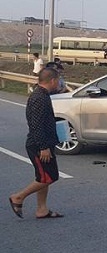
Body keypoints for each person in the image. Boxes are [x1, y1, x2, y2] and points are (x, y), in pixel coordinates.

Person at [8, 67, 64, 220]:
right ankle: (18, 197)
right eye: (58, 80)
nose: (58, 83)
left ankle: (42, 209)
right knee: (50, 176)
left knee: (43, 176)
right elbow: (36, 124)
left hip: (44, 143)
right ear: (52, 80)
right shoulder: (39, 98)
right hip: (38, 145)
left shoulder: (42, 95)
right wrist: (43, 147)